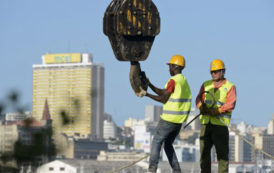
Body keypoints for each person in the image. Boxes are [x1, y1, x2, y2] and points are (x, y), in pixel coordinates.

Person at [139, 55, 192, 173]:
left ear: (175, 67)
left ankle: (152, 169)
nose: (169, 69)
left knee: (157, 141)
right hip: (178, 122)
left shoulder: (173, 81)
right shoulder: (183, 81)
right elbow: (164, 92)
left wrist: (146, 94)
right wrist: (149, 84)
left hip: (168, 119)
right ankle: (177, 170)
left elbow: (163, 98)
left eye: (170, 66)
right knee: (168, 144)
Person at [196, 59, 237, 173]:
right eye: (212, 72)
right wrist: (201, 106)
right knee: (204, 156)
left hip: (220, 126)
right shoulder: (206, 84)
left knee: (222, 157)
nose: (214, 74)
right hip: (206, 125)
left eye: (216, 71)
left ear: (223, 71)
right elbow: (198, 98)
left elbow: (230, 104)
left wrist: (217, 111)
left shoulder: (230, 87)